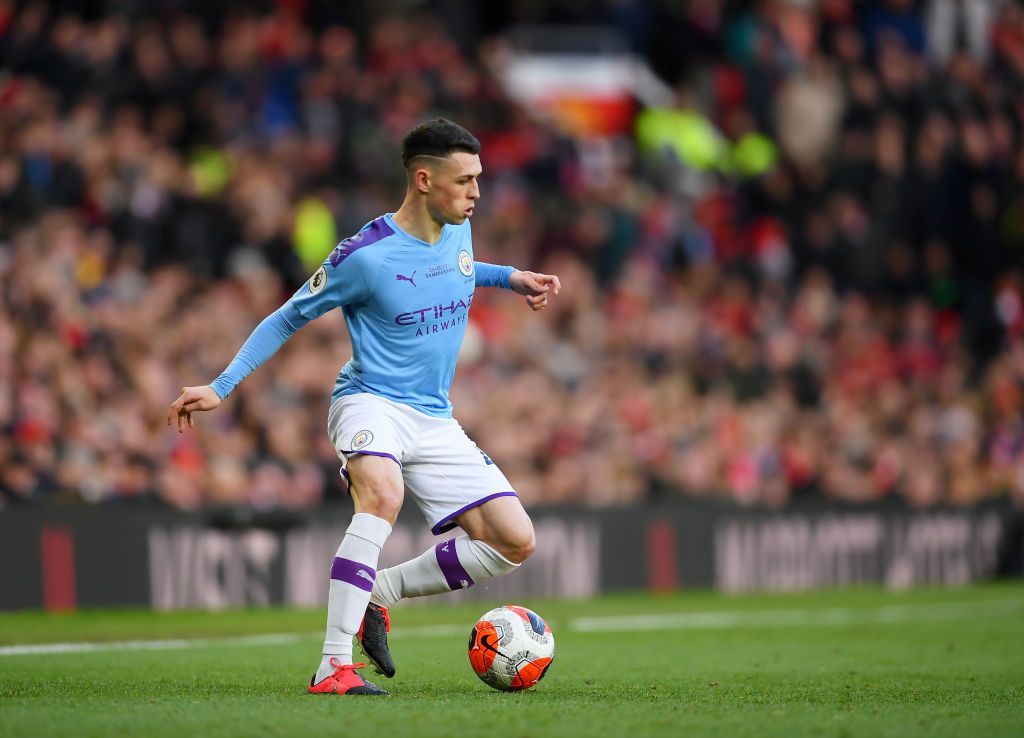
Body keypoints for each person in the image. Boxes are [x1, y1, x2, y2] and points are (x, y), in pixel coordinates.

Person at [166, 118, 561, 696]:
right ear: (424, 180)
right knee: (383, 494)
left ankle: (381, 593)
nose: (478, 192)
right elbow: (288, 316)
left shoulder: (458, 228)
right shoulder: (364, 256)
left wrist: (511, 278)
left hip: (433, 415)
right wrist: (222, 386)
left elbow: (458, 272)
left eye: (479, 179)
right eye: (465, 180)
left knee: (514, 541)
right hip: (370, 402)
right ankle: (332, 666)